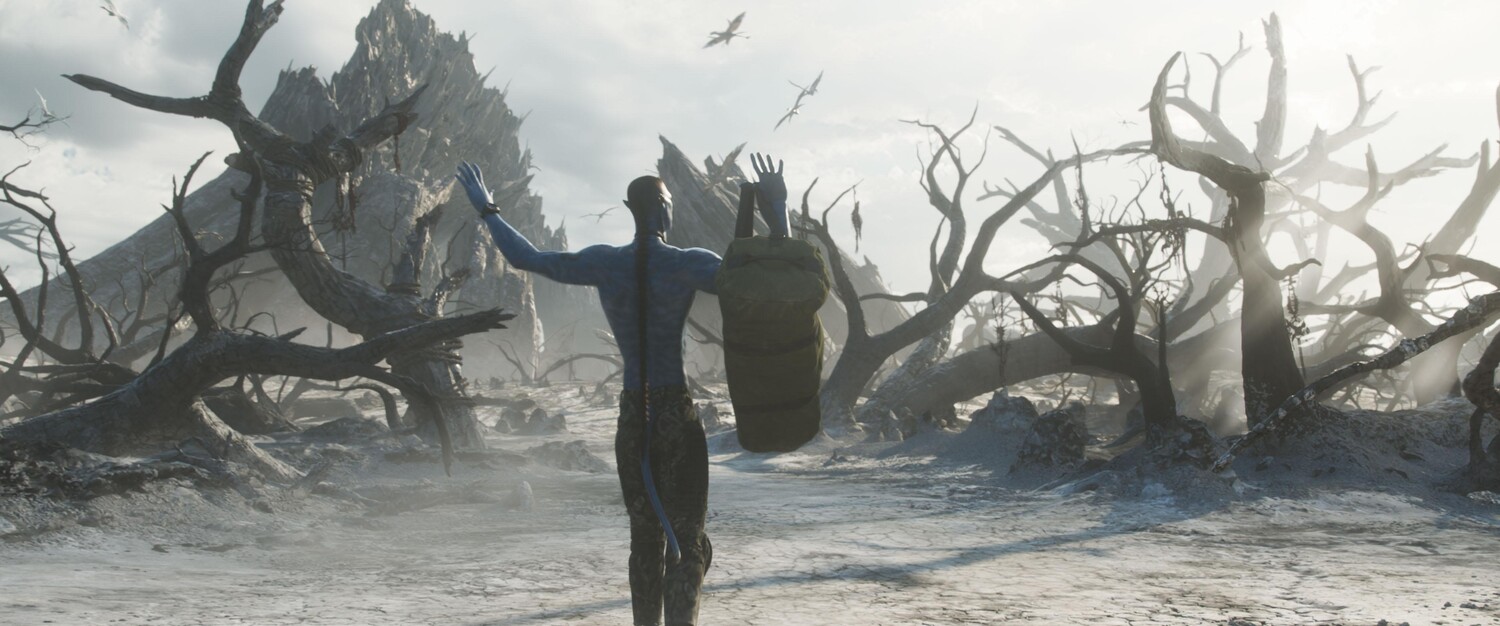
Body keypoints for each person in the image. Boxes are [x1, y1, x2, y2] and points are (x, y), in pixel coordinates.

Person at [455, 154, 790, 626]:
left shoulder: (604, 263)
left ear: (630, 210)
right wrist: (779, 215)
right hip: (675, 412)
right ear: (665, 210)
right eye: (668, 203)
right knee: (688, 542)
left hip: (633, 416)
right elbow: (759, 282)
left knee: (645, 541)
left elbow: (526, 257)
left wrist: (488, 209)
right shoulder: (685, 263)